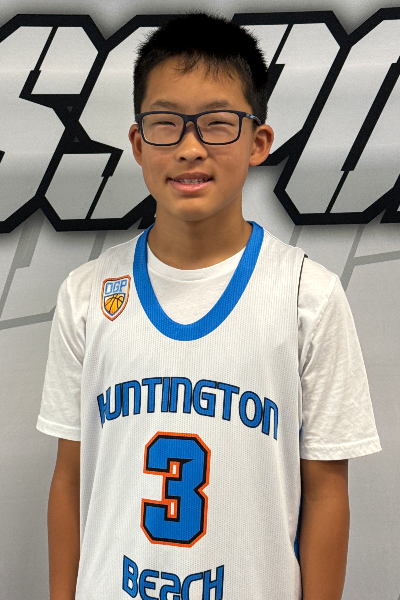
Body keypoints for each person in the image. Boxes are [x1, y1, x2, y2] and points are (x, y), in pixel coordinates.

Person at [36, 11, 381, 600]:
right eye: (166, 124)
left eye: (218, 124)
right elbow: (70, 479)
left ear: (258, 142)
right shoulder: (88, 293)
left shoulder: (309, 295)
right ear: (138, 144)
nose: (190, 148)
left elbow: (326, 490)